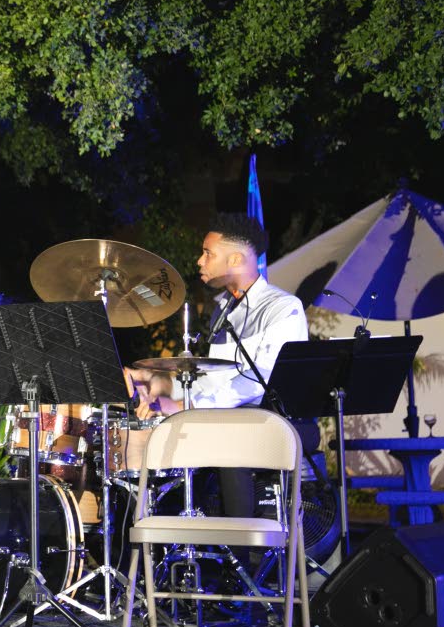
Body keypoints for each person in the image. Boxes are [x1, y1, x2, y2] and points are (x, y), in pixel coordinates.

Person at [126, 214, 308, 518]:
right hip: (226, 418)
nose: (199, 261)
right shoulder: (222, 310)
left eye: (208, 253)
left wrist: (188, 405)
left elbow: (256, 381)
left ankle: (244, 549)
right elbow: (212, 379)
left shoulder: (282, 308)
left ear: (236, 258)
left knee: (227, 439)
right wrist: (161, 383)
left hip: (274, 420)